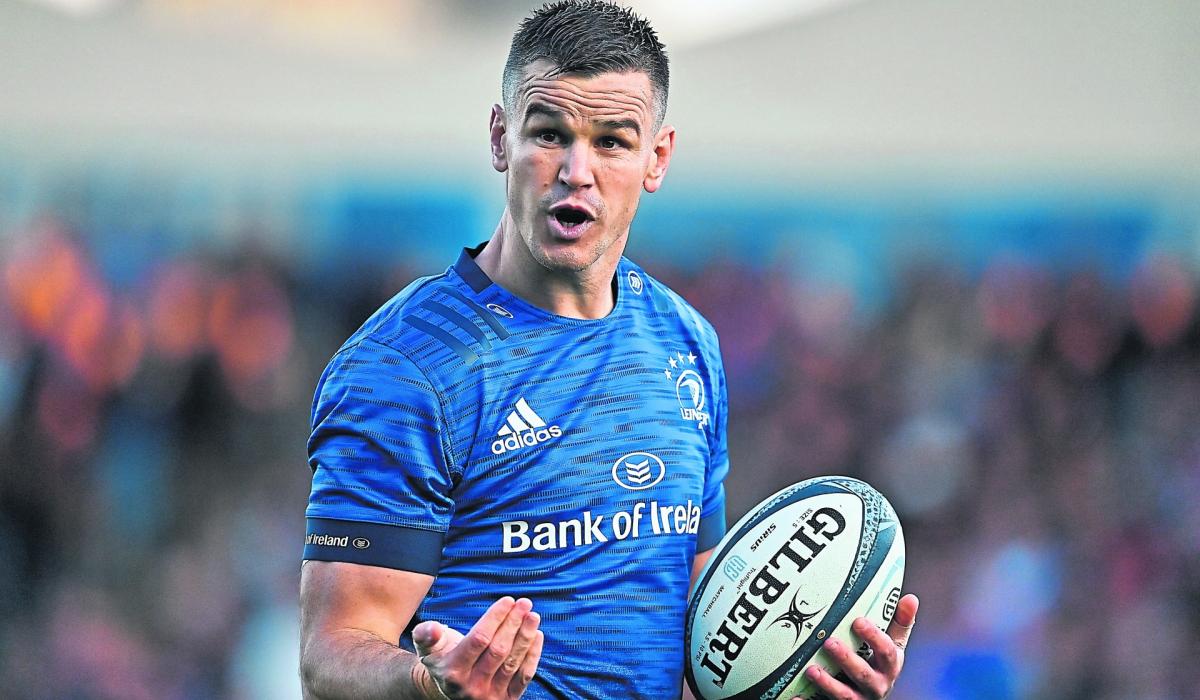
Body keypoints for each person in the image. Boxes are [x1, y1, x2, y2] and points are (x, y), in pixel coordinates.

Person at [299, 1, 918, 698]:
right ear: (500, 139)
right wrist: (429, 683)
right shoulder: (406, 367)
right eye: (549, 134)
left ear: (657, 159)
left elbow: (703, 650)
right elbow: (330, 655)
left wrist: (808, 676)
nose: (576, 170)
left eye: (612, 142)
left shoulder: (685, 340)